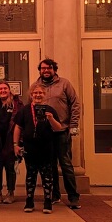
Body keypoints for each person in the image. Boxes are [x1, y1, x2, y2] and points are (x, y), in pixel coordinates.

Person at [29, 59, 82, 209]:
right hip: (45, 134)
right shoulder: (35, 86)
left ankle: (73, 197)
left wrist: (73, 126)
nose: (46, 70)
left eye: (49, 68)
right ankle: (54, 195)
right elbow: (31, 107)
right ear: (39, 70)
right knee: (49, 165)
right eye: (43, 68)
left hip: (62, 131)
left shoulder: (65, 84)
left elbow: (75, 105)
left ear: (54, 69)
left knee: (65, 164)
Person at [13, 84, 62, 214]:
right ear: (31, 95)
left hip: (46, 148)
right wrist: (15, 144)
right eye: (35, 93)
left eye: (40, 93)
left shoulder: (50, 110)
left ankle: (47, 201)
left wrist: (51, 119)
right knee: (31, 175)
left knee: (47, 176)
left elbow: (58, 128)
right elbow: (18, 127)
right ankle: (29, 200)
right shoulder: (24, 110)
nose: (38, 95)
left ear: (44, 95)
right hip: (30, 148)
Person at [0, 81, 22, 204]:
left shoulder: (17, 104)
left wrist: (18, 143)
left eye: (5, 88)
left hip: (11, 140)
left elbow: (20, 123)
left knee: (10, 168)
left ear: (9, 90)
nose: (3, 91)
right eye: (0, 89)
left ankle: (11, 193)